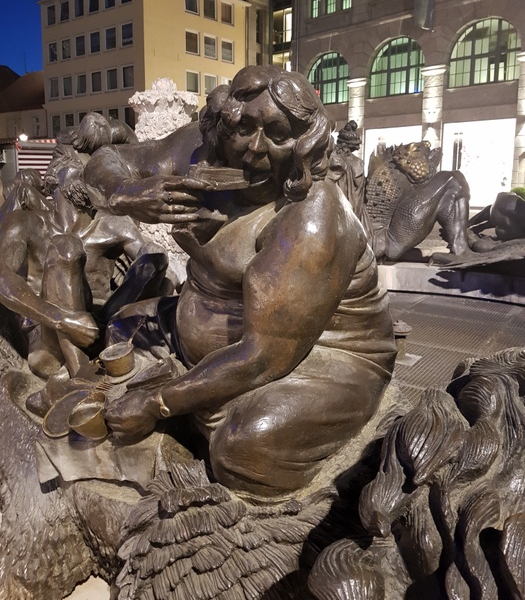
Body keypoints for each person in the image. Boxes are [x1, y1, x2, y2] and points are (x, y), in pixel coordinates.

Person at [103, 66, 397, 500]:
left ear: (304, 143)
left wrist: (157, 402)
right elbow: (106, 161)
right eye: (244, 129)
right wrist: (126, 192)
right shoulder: (200, 153)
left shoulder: (310, 216)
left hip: (322, 357)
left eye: (278, 135)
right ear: (224, 126)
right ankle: (189, 410)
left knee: (243, 449)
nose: (256, 149)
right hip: (207, 333)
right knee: (120, 327)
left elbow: (263, 357)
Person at [0, 150, 170, 383]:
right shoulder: (25, 223)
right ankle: (81, 376)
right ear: (53, 177)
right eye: (78, 164)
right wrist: (63, 320)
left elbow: (154, 260)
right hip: (49, 341)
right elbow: (3, 277)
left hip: (104, 331)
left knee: (155, 258)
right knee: (66, 247)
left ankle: (103, 347)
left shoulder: (113, 225)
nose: (89, 172)